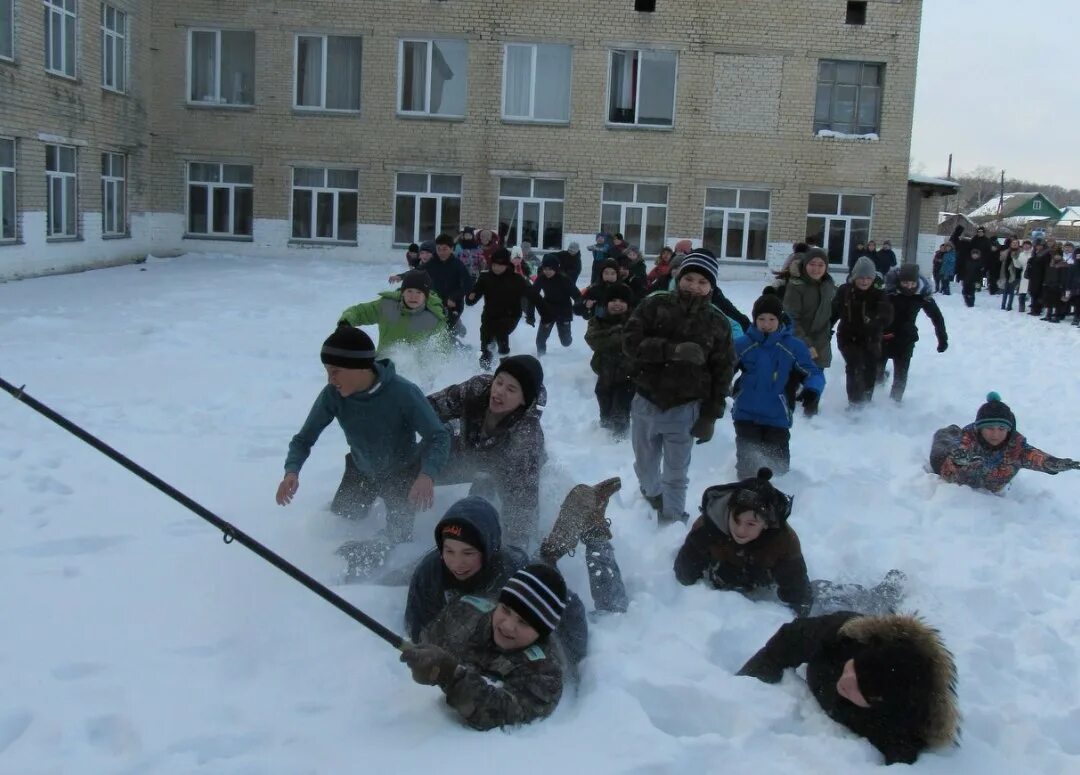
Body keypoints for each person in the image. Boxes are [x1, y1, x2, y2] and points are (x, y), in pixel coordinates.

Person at [405, 480, 626, 662]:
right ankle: (553, 548)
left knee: (613, 612)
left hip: (530, 573)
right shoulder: (429, 572)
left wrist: (574, 661)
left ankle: (596, 534)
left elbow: (570, 607)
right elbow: (419, 630)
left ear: (487, 550)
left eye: (468, 553)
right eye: (449, 551)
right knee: (545, 558)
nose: (456, 563)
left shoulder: (511, 570)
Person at [276, 327, 450, 545]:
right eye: (327, 371)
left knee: (398, 541)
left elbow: (438, 437)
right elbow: (304, 438)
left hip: (401, 474)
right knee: (343, 521)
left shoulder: (403, 392)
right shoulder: (333, 395)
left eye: (335, 371)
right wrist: (292, 471)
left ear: (359, 368)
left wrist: (427, 475)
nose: (330, 379)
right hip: (360, 470)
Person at [737, 611, 959, 765]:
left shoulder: (897, 721)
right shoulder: (842, 636)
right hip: (848, 619)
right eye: (851, 670)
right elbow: (789, 639)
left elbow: (902, 753)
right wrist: (744, 683)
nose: (845, 682)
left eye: (856, 689)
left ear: (878, 704)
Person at [623, 250, 736, 524]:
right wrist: (671, 350)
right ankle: (652, 494)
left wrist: (710, 415)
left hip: (685, 408)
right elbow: (629, 342)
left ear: (711, 287)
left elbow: (723, 373)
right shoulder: (655, 305)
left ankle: (673, 519)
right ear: (679, 277)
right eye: (690, 279)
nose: (694, 286)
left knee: (676, 473)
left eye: (702, 282)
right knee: (646, 467)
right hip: (647, 402)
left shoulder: (718, 323)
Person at [400, 563, 569, 730]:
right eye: (506, 610)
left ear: (542, 632)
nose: (508, 626)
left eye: (524, 622)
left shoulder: (546, 672)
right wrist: (422, 658)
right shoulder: (463, 613)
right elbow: (427, 640)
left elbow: (503, 713)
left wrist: (449, 675)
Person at [427, 355, 546, 547]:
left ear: (524, 400)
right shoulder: (477, 389)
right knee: (411, 468)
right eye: (499, 383)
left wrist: (514, 550)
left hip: (506, 472)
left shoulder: (526, 439)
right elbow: (428, 409)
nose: (499, 392)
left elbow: (522, 507)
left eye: (511, 389)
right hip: (469, 453)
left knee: (489, 511)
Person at [674, 467, 811, 615]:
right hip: (720, 581)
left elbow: (798, 594)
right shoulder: (708, 527)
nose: (740, 530)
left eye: (751, 524)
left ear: (765, 524)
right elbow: (684, 575)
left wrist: (796, 614)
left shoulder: (783, 540)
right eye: (736, 520)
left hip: (761, 579)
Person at [731, 292, 825, 478]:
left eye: (771, 319)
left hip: (777, 416)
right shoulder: (742, 344)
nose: (766, 324)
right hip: (746, 413)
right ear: (754, 319)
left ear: (779, 319)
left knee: (778, 470)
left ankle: (774, 499)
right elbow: (724, 368)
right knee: (747, 469)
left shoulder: (793, 346)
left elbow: (812, 372)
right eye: (761, 319)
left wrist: (812, 389)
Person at [930, 392, 1080, 493]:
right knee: (944, 439)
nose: (995, 434)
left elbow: (1035, 457)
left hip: (989, 484)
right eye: (989, 428)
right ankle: (951, 430)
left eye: (1001, 428)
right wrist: (958, 460)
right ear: (980, 429)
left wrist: (1053, 463)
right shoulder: (968, 439)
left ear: (1009, 430)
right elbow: (961, 448)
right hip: (948, 466)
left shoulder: (1016, 447)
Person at [876, 263, 947, 402]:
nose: (908, 286)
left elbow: (936, 317)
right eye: (905, 282)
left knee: (900, 376)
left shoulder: (922, 294)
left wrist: (942, 338)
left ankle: (894, 404)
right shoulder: (889, 292)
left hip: (906, 339)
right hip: (884, 336)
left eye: (912, 283)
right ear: (899, 281)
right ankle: (876, 394)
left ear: (916, 281)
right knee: (876, 373)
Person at [337, 269, 449, 352]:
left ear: (426, 296)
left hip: (415, 375)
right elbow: (359, 312)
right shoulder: (387, 306)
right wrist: (345, 323)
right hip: (382, 368)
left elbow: (442, 350)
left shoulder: (434, 318)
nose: (413, 296)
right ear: (402, 292)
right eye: (409, 291)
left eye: (419, 292)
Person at [467, 248, 543, 369]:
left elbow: (533, 296)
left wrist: (542, 311)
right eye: (494, 265)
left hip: (511, 315)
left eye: (500, 265)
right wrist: (471, 297)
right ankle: (485, 368)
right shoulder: (485, 278)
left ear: (507, 265)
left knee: (501, 331)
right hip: (490, 316)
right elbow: (473, 296)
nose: (496, 268)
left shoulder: (516, 279)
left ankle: (504, 363)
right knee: (486, 342)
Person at [832, 256, 893, 406]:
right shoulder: (845, 291)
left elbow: (887, 314)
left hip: (871, 339)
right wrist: (827, 329)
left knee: (870, 370)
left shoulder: (878, 293)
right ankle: (854, 402)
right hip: (848, 337)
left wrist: (877, 320)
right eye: (860, 278)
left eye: (868, 278)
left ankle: (866, 399)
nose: (864, 281)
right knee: (855, 367)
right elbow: (833, 312)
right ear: (854, 277)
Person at [584, 283, 636, 435]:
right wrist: (617, 334)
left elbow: (635, 341)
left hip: (627, 372)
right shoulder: (598, 319)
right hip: (605, 370)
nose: (617, 304)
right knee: (603, 395)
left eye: (622, 301)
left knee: (622, 402)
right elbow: (593, 340)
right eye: (613, 301)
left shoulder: (635, 321)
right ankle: (605, 424)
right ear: (606, 303)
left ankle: (620, 434)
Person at [783, 247, 837, 371]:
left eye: (820, 265)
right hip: (799, 344)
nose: (816, 269)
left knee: (814, 385)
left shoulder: (828, 285)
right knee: (797, 384)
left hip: (821, 345)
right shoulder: (796, 286)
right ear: (805, 264)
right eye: (812, 264)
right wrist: (805, 344)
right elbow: (791, 319)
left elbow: (829, 313)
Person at [527, 254, 581, 355]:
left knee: (565, 342)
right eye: (545, 269)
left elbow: (577, 295)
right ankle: (541, 358)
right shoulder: (541, 278)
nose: (547, 271)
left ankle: (567, 337)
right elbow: (532, 296)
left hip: (564, 310)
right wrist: (530, 315)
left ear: (556, 268)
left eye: (550, 269)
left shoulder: (564, 279)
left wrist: (579, 306)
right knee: (540, 340)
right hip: (548, 309)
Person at [1040, 246, 1068, 322]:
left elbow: (1064, 276)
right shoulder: (1050, 264)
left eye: (1058, 255)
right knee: (1049, 301)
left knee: (1058, 302)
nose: (1056, 256)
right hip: (1049, 285)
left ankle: (1057, 316)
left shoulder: (1064, 264)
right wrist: (1045, 282)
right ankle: (1048, 315)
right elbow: (1047, 274)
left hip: (1058, 286)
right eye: (1055, 255)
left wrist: (1061, 285)